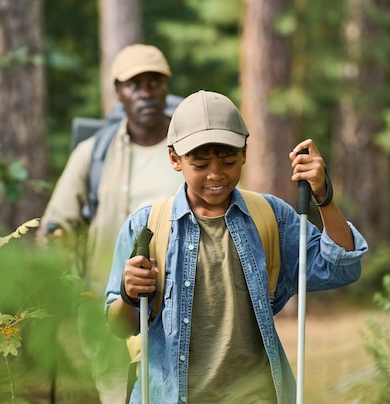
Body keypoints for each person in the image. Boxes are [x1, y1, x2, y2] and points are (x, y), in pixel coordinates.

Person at [105, 90, 369, 404]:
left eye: (228, 161)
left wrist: (323, 196)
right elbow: (119, 327)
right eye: (200, 164)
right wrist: (129, 293)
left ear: (244, 152)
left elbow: (341, 268)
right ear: (175, 158)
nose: (216, 174)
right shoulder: (145, 228)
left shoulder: (271, 217)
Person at [38, 44, 185, 403]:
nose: (146, 92)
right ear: (118, 92)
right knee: (119, 392)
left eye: (154, 82)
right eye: (135, 84)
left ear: (166, 87)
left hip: (182, 301)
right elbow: (56, 224)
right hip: (115, 306)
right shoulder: (93, 153)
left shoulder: (192, 148)